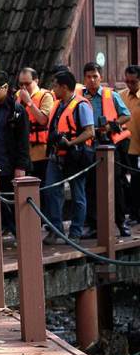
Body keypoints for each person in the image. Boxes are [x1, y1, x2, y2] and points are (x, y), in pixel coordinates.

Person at [43, 71, 94, 245]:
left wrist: (71, 143)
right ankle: (56, 230)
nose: (53, 88)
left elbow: (90, 131)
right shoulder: (57, 105)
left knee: (78, 194)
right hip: (56, 156)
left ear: (64, 87)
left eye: (55, 85)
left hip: (76, 156)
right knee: (51, 191)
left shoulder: (81, 105)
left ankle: (75, 232)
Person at [81, 62, 132, 238]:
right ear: (84, 78)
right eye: (88, 77)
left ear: (100, 77)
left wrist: (111, 126)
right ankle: (93, 224)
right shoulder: (80, 97)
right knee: (90, 185)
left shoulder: (111, 94)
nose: (92, 80)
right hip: (88, 146)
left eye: (95, 76)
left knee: (116, 185)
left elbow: (126, 115)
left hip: (110, 146)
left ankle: (121, 222)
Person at [0, 69, 30, 236]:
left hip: (10, 164)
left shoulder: (17, 110)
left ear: (5, 87)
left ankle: (21, 236)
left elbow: (23, 141)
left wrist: (20, 166)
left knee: (14, 205)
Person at [15, 67, 54, 185]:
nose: (23, 87)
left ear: (36, 81)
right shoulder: (17, 96)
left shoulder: (45, 96)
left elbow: (43, 120)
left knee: (41, 187)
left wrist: (29, 102)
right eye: (21, 84)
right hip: (23, 153)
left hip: (40, 153)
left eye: (27, 83)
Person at [120, 65, 140, 224]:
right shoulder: (121, 96)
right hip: (128, 146)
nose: (129, 84)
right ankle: (133, 213)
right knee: (130, 180)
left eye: (133, 82)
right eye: (127, 81)